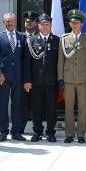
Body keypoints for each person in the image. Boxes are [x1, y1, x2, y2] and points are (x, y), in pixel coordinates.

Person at [58, 11, 86, 143]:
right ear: (69, 23)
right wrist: (60, 78)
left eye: (77, 23)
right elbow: (60, 61)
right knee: (68, 108)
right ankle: (69, 134)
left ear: (81, 24)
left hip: (83, 79)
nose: (74, 25)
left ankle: (81, 134)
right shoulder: (63, 39)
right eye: (72, 23)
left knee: (82, 107)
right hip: (68, 79)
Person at [23, 13, 59, 142]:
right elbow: (27, 63)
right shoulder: (31, 40)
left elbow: (60, 63)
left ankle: (50, 132)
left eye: (47, 24)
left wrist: (60, 80)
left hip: (51, 81)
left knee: (51, 108)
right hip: (36, 81)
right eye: (42, 24)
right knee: (36, 108)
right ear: (38, 25)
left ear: (50, 25)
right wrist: (27, 80)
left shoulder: (57, 40)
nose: (44, 26)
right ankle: (37, 132)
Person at [0, 12, 26, 142]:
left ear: (15, 22)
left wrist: (25, 78)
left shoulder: (22, 37)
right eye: (7, 21)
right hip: (3, 77)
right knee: (3, 105)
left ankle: (16, 132)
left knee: (17, 105)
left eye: (12, 21)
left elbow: (25, 59)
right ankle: (3, 131)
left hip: (18, 77)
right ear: (4, 23)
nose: (10, 23)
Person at [16, 11, 39, 138]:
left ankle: (37, 131)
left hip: (36, 78)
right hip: (21, 78)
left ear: (36, 23)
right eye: (26, 21)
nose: (28, 23)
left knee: (36, 105)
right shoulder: (19, 37)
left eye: (31, 21)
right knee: (22, 105)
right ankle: (20, 129)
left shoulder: (40, 37)